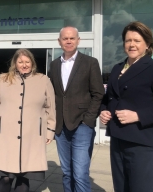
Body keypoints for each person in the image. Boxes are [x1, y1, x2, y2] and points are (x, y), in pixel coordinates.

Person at [99, 21, 153, 192]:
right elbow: (108, 97)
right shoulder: (117, 68)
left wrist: (138, 116)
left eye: (137, 40)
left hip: (142, 142)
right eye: (128, 41)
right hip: (118, 140)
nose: (131, 44)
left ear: (147, 44)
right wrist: (103, 110)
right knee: (121, 188)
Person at [0, 48, 56, 192]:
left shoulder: (43, 80)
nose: (24, 65)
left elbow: (51, 107)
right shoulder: (3, 79)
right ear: (15, 63)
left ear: (32, 63)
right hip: (6, 135)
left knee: (24, 177)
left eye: (27, 61)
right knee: (5, 177)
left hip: (32, 136)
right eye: (20, 61)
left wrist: (49, 131)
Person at [48, 26, 104, 192]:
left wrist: (88, 119)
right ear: (60, 42)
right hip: (61, 127)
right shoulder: (54, 65)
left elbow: (98, 93)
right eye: (65, 38)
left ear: (78, 40)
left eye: (72, 38)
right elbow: (53, 95)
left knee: (79, 173)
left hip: (82, 125)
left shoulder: (90, 63)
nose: (69, 41)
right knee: (66, 172)